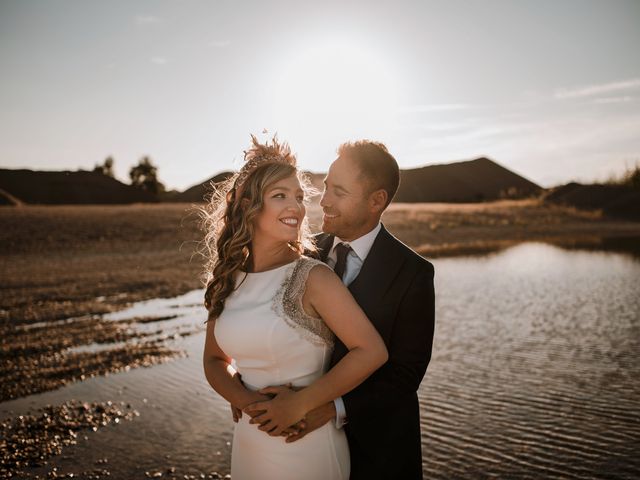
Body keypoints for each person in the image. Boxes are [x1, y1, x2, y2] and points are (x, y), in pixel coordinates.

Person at [201, 135, 388, 480]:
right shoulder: (227, 277)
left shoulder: (313, 277)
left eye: (299, 197)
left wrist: (300, 404)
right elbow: (214, 360)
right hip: (250, 441)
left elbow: (371, 351)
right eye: (280, 196)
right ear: (247, 206)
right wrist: (247, 402)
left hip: (306, 445)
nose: (297, 208)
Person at [250, 140, 436, 479]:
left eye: (338, 191)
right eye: (325, 188)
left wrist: (331, 409)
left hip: (378, 449)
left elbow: (405, 375)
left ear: (376, 200)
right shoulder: (300, 253)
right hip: (301, 444)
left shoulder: (413, 273)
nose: (323, 201)